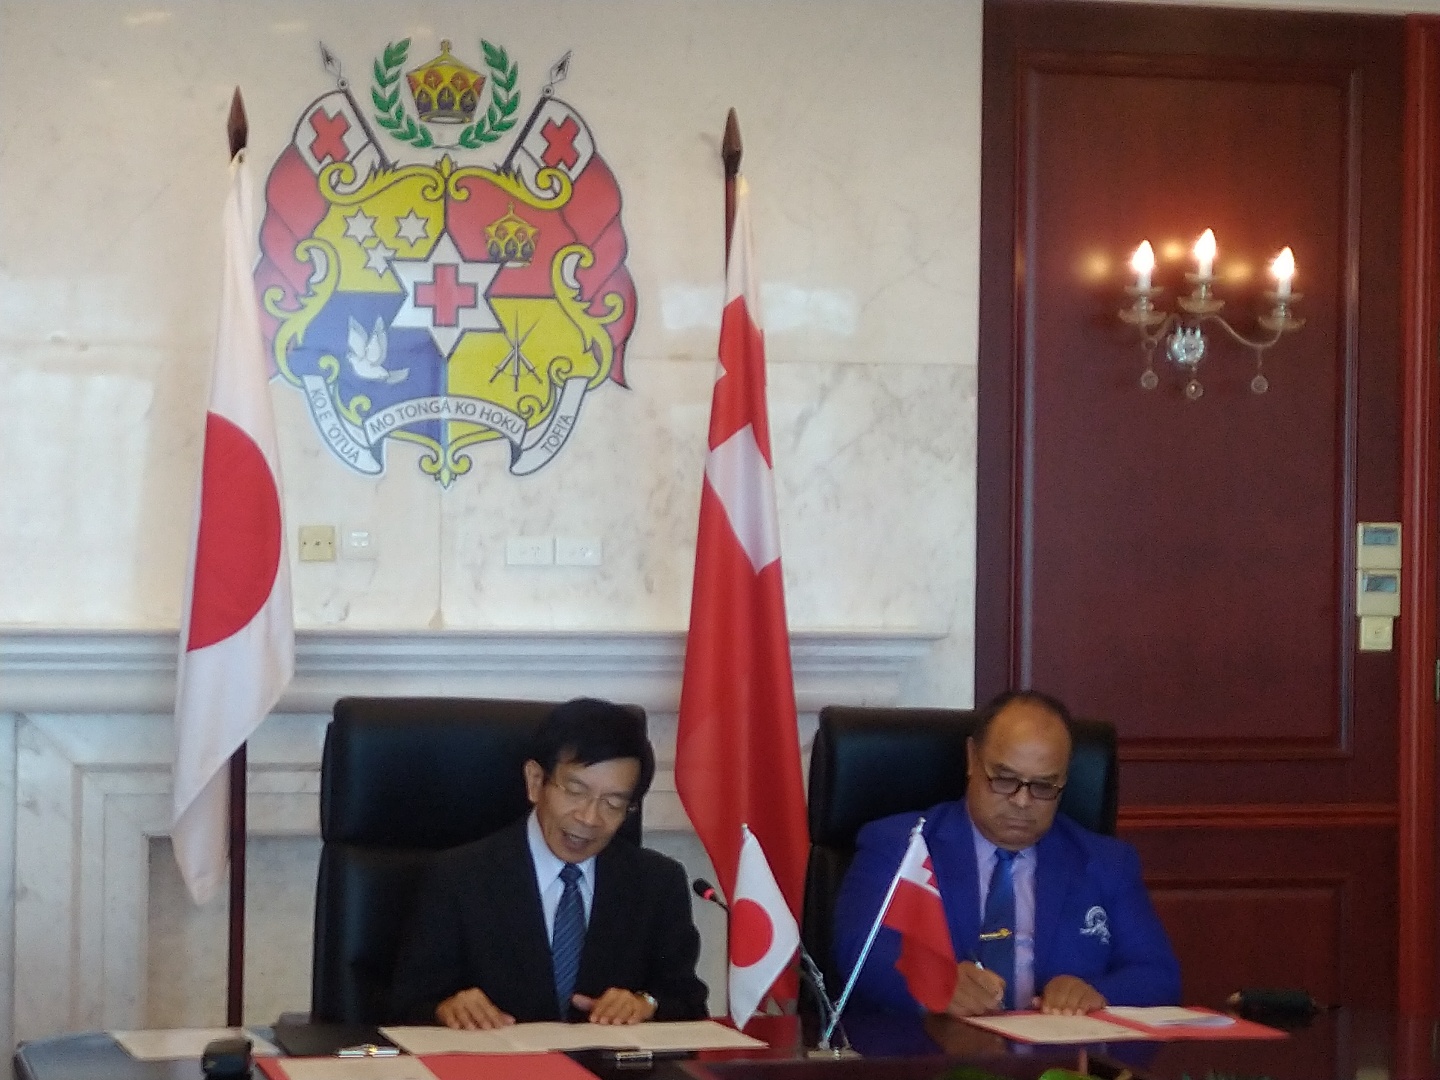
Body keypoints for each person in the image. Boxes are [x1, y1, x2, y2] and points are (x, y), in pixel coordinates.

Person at [833, 690, 1180, 1017]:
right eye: (1004, 779)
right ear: (972, 758)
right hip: (935, 1060)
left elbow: (1158, 973)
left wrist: (1097, 993)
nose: (1021, 801)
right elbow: (859, 955)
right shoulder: (902, 844)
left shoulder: (1105, 863)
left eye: (1043, 786)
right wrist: (933, 983)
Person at [389, 697, 709, 1028]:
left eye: (613, 803)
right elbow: (405, 1006)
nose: (589, 818)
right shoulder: (457, 878)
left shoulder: (657, 883)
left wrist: (646, 1003)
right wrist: (446, 1008)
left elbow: (687, 1001)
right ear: (535, 781)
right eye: (574, 791)